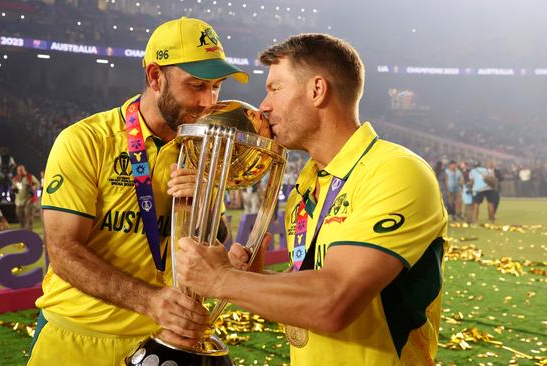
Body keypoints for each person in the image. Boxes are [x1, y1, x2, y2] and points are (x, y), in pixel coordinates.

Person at [175, 33, 448, 365]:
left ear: (317, 90)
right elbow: (312, 292)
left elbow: (334, 304)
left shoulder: (395, 171)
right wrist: (253, 280)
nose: (263, 105)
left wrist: (222, 279)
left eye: (275, 88)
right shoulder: (305, 188)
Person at [27, 17, 249, 365]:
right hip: (78, 338)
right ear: (155, 77)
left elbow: (211, 244)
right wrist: (150, 301)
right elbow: (64, 250)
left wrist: (203, 208)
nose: (209, 102)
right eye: (196, 85)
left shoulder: (202, 152)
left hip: (159, 343)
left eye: (216, 86)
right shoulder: (86, 141)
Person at [12, 164, 40, 231]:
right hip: (19, 201)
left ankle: (29, 233)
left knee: (28, 218)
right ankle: (23, 233)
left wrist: (33, 188)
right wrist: (13, 189)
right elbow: (13, 187)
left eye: (21, 170)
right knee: (20, 217)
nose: (20, 172)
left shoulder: (30, 177)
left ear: (24, 170)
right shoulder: (15, 179)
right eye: (19, 170)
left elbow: (37, 184)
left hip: (29, 201)